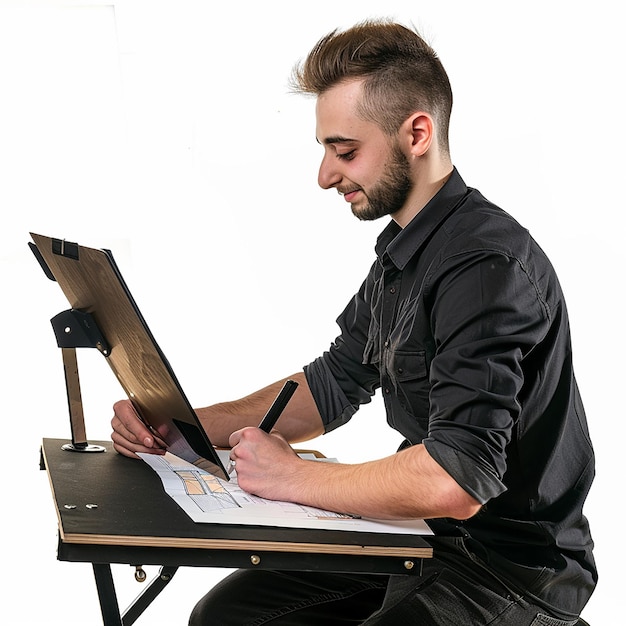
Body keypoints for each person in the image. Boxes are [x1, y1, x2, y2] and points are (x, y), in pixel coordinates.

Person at [111, 19, 597, 625]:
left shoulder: (483, 266)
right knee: (226, 618)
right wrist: (180, 424)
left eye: (345, 151)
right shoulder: (408, 251)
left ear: (417, 132)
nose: (325, 175)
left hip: (505, 572)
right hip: (423, 538)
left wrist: (291, 479)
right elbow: (332, 385)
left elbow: (458, 477)